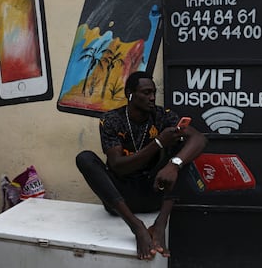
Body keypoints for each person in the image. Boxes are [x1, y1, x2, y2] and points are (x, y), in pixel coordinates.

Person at [76, 71, 207, 260]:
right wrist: (158, 143)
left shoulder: (162, 116)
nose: (152, 97)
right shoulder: (112, 120)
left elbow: (199, 139)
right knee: (85, 158)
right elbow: (118, 166)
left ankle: (160, 225)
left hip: (153, 191)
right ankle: (137, 226)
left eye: (153, 92)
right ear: (130, 93)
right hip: (121, 197)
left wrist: (174, 165)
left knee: (182, 149)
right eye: (146, 93)